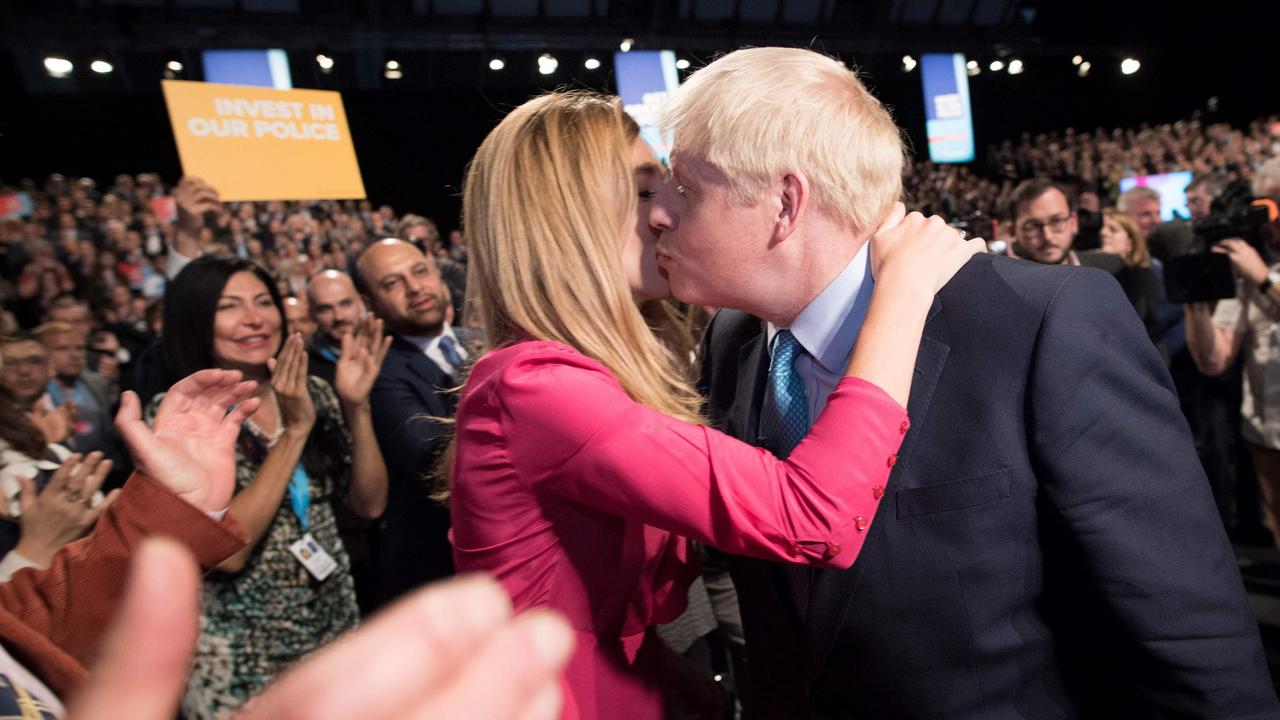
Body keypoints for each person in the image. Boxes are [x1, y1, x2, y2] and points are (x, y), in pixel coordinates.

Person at [659, 47, 1276, 718]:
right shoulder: (733, 342)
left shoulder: (1041, 321)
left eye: (684, 188)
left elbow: (1184, 625)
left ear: (784, 202)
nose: (658, 212)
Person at [450, 90, 982, 719]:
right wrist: (903, 290)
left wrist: (671, 682)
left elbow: (586, 606)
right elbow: (813, 517)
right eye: (646, 192)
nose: (664, 215)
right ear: (566, 220)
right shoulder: (536, 388)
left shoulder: (572, 375)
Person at [156, 255, 389, 718]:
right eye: (230, 306)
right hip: (245, 660)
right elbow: (226, 552)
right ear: (196, 320)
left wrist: (356, 405)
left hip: (333, 636)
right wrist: (294, 432)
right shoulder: (176, 416)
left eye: (263, 301)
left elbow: (370, 504)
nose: (254, 318)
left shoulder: (315, 392)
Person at [356, 239, 469, 606]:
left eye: (420, 271)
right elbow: (435, 461)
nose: (415, 287)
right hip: (442, 575)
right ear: (370, 304)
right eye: (393, 283)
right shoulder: (377, 373)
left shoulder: (481, 341)